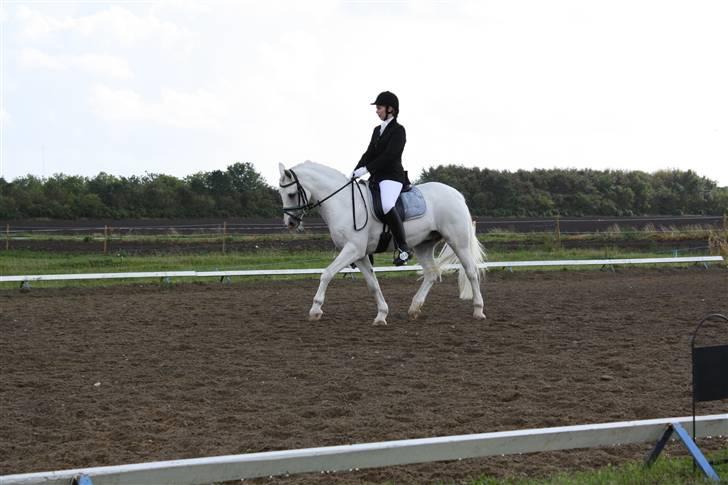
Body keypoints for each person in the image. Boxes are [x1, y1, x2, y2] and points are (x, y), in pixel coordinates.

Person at [351, 91, 411, 266]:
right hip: (377, 177)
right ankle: (363, 248)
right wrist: (354, 171)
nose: (376, 111)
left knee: (386, 205)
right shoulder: (377, 130)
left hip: (392, 177)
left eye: (379, 108)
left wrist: (366, 169)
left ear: (390, 109)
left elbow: (389, 156)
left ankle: (403, 248)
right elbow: (369, 153)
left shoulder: (399, 130)